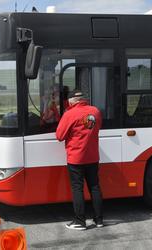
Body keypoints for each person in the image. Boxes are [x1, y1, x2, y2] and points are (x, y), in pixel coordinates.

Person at [56, 90, 103, 230]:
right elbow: (97, 128)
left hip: (76, 158)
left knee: (78, 189)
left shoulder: (69, 114)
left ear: (71, 101)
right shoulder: (95, 111)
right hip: (93, 156)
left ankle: (80, 221)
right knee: (94, 187)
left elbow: (59, 135)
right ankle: (99, 220)